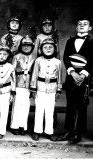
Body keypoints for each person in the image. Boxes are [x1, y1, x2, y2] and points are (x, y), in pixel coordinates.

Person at [57, 16, 93, 144]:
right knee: (70, 104)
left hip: (85, 77)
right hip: (71, 76)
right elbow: (66, 58)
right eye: (79, 24)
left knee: (82, 105)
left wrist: (82, 75)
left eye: (85, 23)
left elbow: (92, 60)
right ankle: (69, 131)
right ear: (76, 27)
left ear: (90, 28)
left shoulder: (92, 42)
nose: (82, 25)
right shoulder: (69, 41)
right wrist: (72, 72)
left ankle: (78, 133)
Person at [30, 38, 62, 141]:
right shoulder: (38, 60)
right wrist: (33, 89)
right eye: (45, 47)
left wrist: (59, 90)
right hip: (40, 88)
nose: (48, 49)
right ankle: (37, 131)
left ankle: (49, 131)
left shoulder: (57, 62)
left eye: (50, 47)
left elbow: (60, 77)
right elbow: (34, 75)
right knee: (39, 110)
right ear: (41, 49)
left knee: (50, 110)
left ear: (55, 49)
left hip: (52, 89)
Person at [10, 35, 36, 136]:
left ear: (32, 47)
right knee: (16, 106)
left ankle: (23, 126)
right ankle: (14, 126)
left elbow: (35, 73)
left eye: (28, 45)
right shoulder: (16, 57)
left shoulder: (34, 58)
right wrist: (13, 87)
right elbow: (12, 73)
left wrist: (33, 87)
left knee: (25, 107)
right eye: (24, 45)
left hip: (28, 85)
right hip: (18, 85)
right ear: (20, 46)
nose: (26, 47)